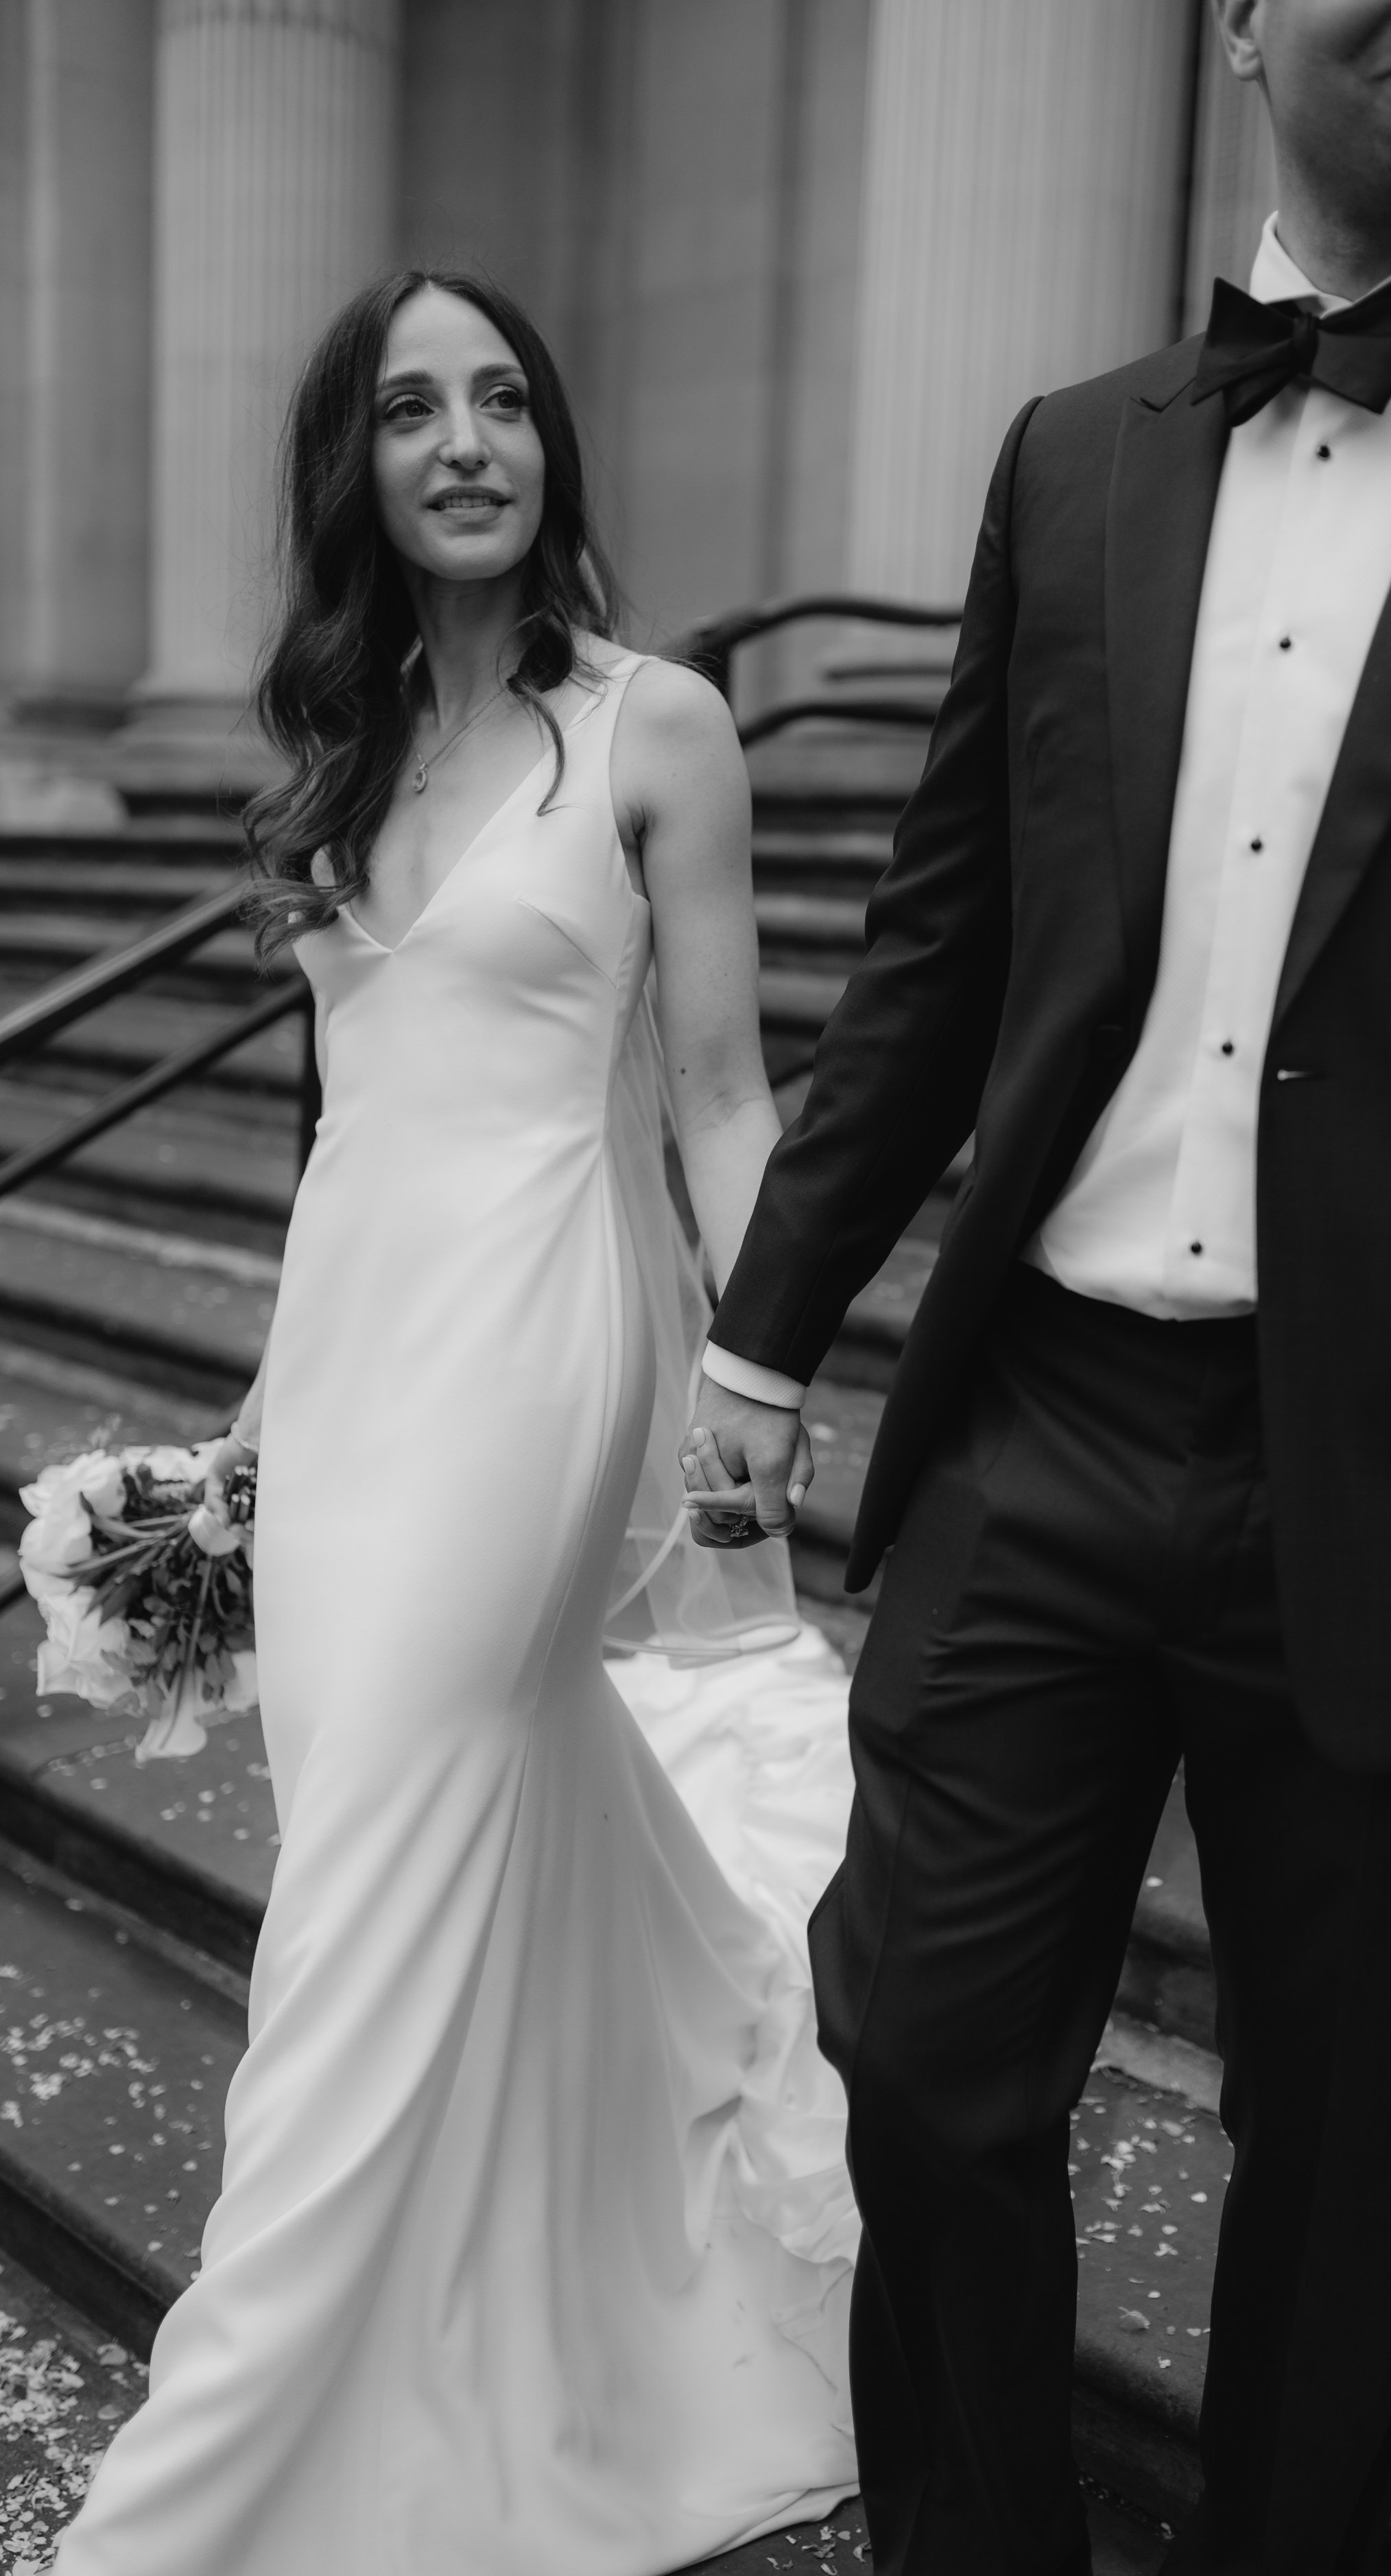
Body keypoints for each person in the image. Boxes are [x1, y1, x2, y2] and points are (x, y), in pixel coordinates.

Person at [684, 2, 1391, 2568]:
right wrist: (759, 1331)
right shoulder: (1076, 450)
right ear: (1239, 16)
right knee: (919, 2064)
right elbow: (942, 947)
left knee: (1344, 2155)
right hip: (1040, 1420)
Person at [54, 269, 857, 2576]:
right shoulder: (324, 747)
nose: (467, 441)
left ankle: (219, 2468)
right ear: (358, 465)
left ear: (553, 446)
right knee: (413, 1828)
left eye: (503, 399)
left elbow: (717, 1093)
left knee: (374, 1867)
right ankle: (559, 2300)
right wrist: (262, 1415)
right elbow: (349, 1121)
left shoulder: (661, 728)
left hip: (543, 1345)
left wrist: (758, 1367)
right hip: (355, 1348)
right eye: (413, 410)